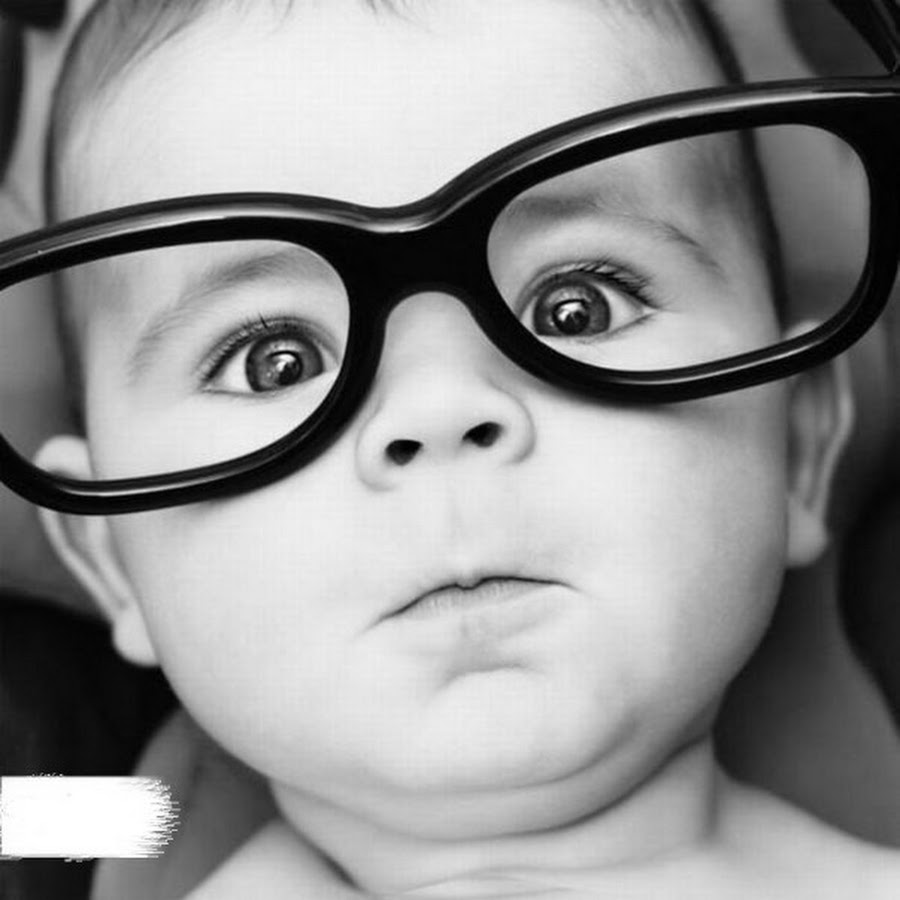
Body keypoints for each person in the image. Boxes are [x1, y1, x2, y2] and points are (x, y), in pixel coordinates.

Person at [3, 0, 899, 896]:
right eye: (278, 363)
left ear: (798, 440)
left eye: (575, 308)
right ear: (114, 557)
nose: (437, 409)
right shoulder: (61, 829)